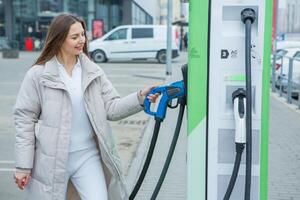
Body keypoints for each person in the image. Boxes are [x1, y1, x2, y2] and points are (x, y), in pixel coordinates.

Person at [13, 14, 159, 200]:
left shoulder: (92, 71)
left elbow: (112, 107)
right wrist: (23, 166)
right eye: (75, 37)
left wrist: (140, 97)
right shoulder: (38, 75)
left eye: (83, 34)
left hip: (87, 156)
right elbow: (24, 120)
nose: (81, 40)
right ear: (58, 39)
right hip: (51, 160)